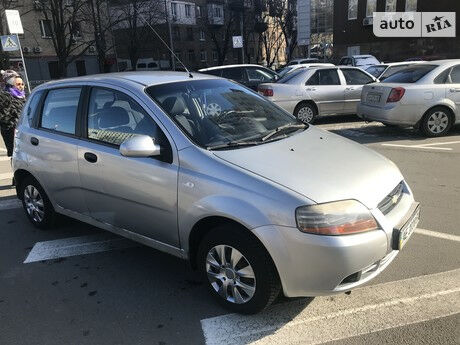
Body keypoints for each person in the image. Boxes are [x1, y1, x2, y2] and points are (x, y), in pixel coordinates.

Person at [0, 70, 26, 157]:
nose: (21, 87)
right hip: (12, 133)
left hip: (24, 132)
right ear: (10, 85)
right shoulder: (6, 97)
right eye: (18, 84)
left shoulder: (21, 97)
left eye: (22, 84)